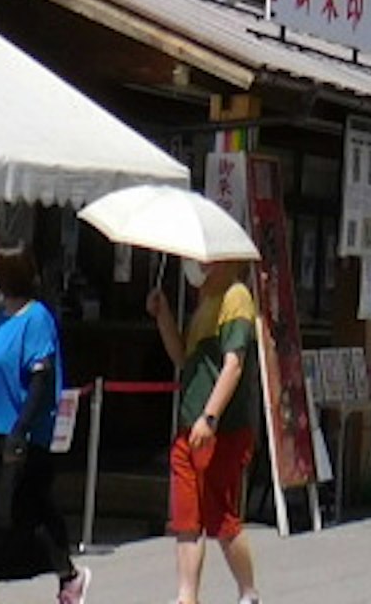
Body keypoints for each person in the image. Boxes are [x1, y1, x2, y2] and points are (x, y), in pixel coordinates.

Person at [0, 249, 82, 604]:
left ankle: (68, 574)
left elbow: (41, 378)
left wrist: (21, 429)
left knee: (24, 508)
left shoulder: (37, 318)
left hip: (17, 428)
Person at [153, 253, 263, 604]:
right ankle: (187, 597)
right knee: (186, 518)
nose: (201, 265)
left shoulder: (237, 298)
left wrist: (211, 417)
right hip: (189, 425)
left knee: (222, 518)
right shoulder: (206, 303)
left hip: (222, 429)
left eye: (210, 259)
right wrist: (163, 316)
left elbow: (233, 364)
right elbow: (183, 358)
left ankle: (248, 592)